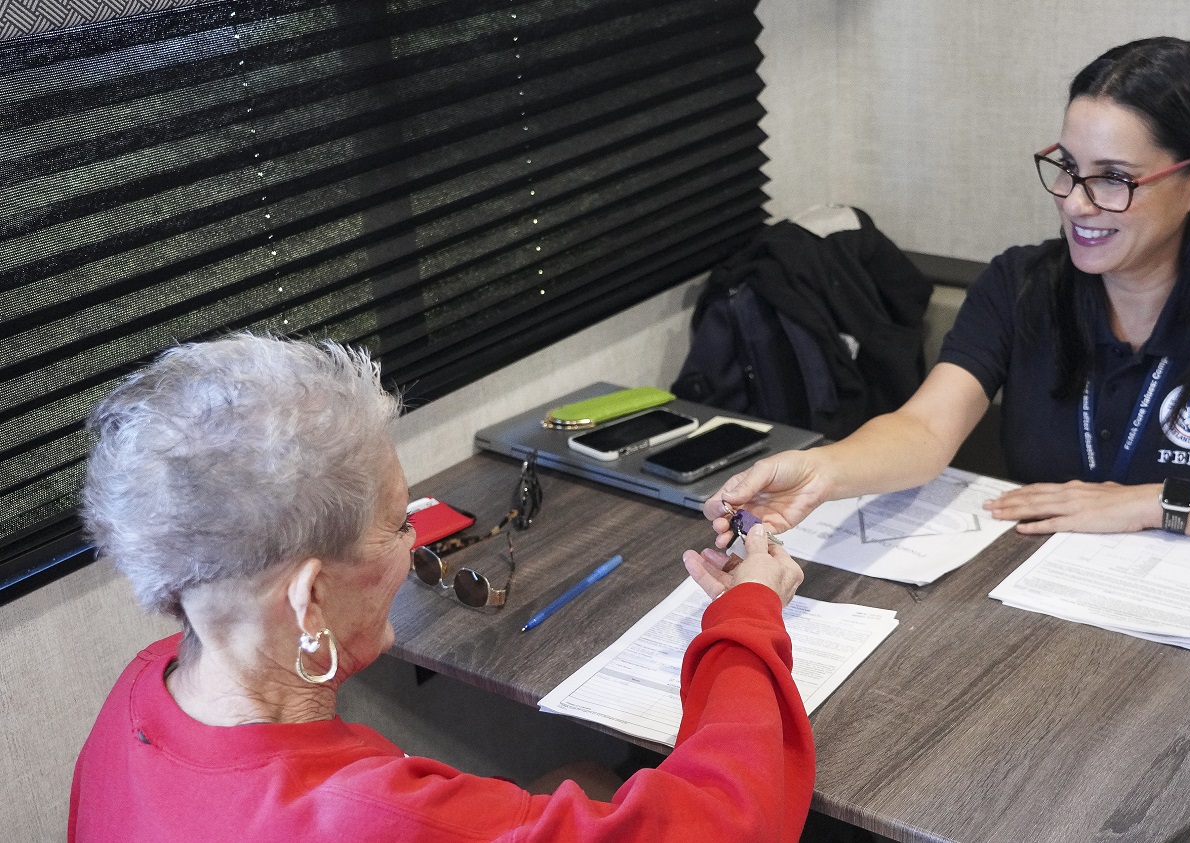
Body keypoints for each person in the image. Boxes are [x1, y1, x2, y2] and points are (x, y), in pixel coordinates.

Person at [706, 37, 1190, 576]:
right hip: (1041, 598)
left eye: (1114, 179)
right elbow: (925, 429)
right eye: (1069, 168)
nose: (1076, 203)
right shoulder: (1023, 285)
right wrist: (825, 471)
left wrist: (1149, 503)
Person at [69, 335, 813, 842]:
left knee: (582, 776)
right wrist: (747, 614)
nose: (417, 540)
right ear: (310, 600)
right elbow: (730, 823)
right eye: (399, 525)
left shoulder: (138, 696)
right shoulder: (370, 815)